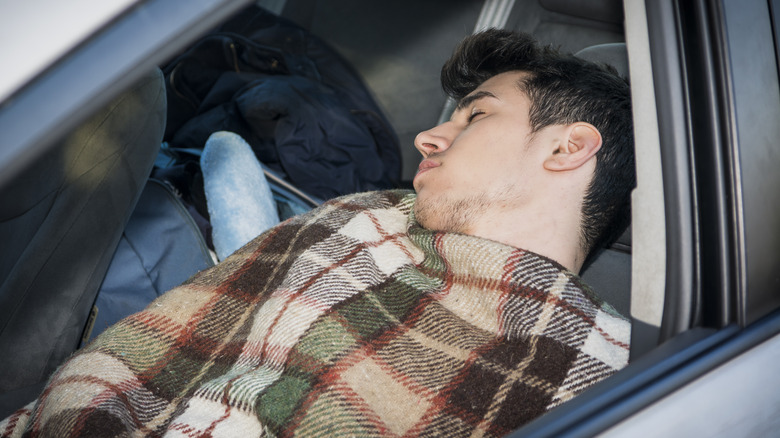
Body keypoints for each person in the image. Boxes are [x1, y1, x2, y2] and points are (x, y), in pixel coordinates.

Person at [0, 29, 634, 438]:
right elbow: (142, 357)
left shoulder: (594, 372)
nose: (428, 137)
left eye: (476, 116)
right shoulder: (359, 219)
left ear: (568, 147)